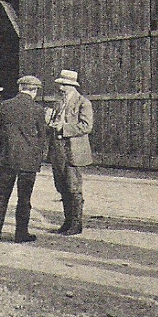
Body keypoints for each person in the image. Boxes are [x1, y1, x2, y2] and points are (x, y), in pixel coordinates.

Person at [0, 75, 47, 244]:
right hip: (27, 161)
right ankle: (21, 234)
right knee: (24, 199)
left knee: (1, 197)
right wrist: (39, 155)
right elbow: (42, 137)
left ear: (20, 88)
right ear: (34, 91)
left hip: (5, 158)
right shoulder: (37, 110)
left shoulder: (4, 106)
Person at [47, 69, 94, 235]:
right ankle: (67, 222)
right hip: (58, 150)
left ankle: (76, 224)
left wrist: (64, 128)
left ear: (71, 86)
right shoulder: (59, 103)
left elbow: (86, 126)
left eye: (63, 85)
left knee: (74, 187)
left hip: (73, 151)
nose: (60, 88)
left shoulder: (83, 102)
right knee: (62, 187)